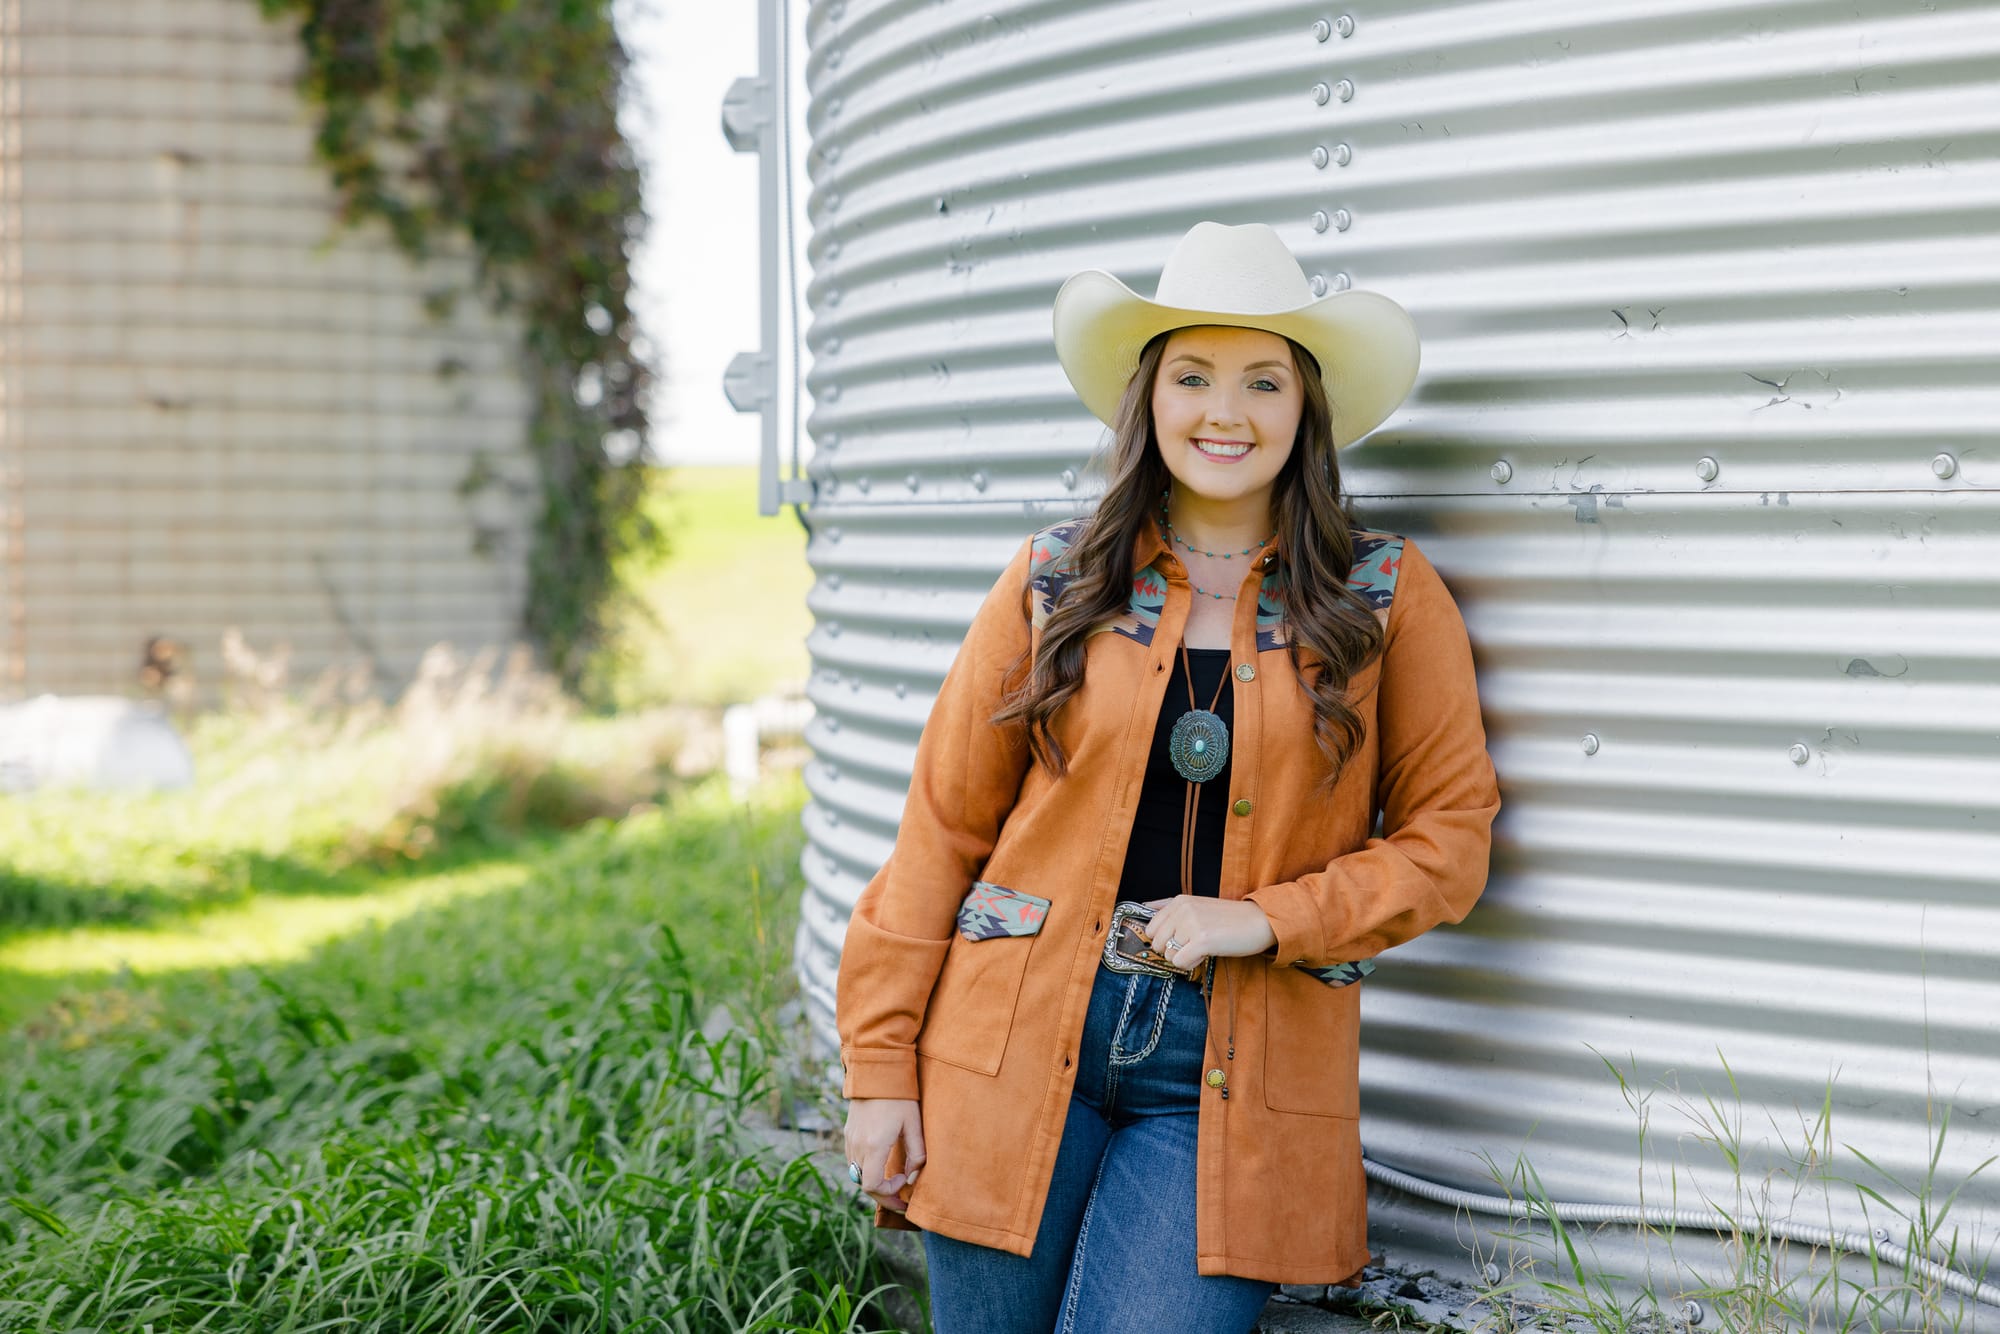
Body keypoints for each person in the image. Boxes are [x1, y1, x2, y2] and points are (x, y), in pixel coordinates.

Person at [834, 220, 1502, 1333]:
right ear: (1149, 397)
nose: (1223, 413)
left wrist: (1264, 918)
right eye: (1191, 375)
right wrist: (878, 1069)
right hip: (1011, 1030)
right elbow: (940, 832)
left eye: (1261, 381)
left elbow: (1451, 841)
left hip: (1229, 1065)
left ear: (1306, 408)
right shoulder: (1053, 579)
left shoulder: (1382, 595)